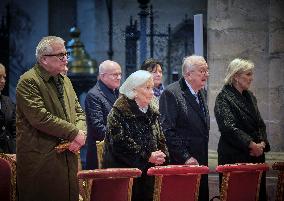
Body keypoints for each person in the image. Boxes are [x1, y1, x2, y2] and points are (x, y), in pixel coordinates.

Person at [16, 36, 86, 201]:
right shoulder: (28, 81)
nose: (65, 58)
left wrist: (80, 134)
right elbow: (39, 117)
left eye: (65, 53)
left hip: (68, 157)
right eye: (60, 54)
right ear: (43, 59)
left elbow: (79, 111)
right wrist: (74, 132)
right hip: (42, 161)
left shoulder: (65, 80)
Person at [102, 70, 169, 201]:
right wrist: (147, 156)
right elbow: (120, 144)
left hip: (151, 172)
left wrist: (161, 156)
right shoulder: (118, 112)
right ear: (134, 91)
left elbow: (161, 139)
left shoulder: (152, 112)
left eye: (152, 88)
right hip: (125, 175)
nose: (152, 92)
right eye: (147, 88)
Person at [214, 58, 270, 201]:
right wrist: (251, 144)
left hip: (255, 155)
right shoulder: (223, 98)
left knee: (256, 195)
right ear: (236, 76)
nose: (251, 78)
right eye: (248, 74)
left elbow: (260, 123)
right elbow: (229, 128)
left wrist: (262, 143)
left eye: (251, 74)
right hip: (235, 155)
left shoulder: (250, 96)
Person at [159, 55, 210, 201]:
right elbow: (167, 130)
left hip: (201, 158)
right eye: (202, 71)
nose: (207, 74)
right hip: (183, 161)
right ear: (188, 74)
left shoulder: (201, 92)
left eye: (207, 70)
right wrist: (185, 157)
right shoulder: (172, 93)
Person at [85, 60, 121, 169]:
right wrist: (121, 139)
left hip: (116, 150)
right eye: (115, 74)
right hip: (101, 152)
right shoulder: (94, 95)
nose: (119, 77)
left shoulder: (118, 92)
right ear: (103, 76)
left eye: (120, 74)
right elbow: (98, 127)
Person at [0, 63, 16, 154]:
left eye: (4, 77)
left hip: (9, 155)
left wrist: (15, 152)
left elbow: (15, 131)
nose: (3, 81)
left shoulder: (8, 102)